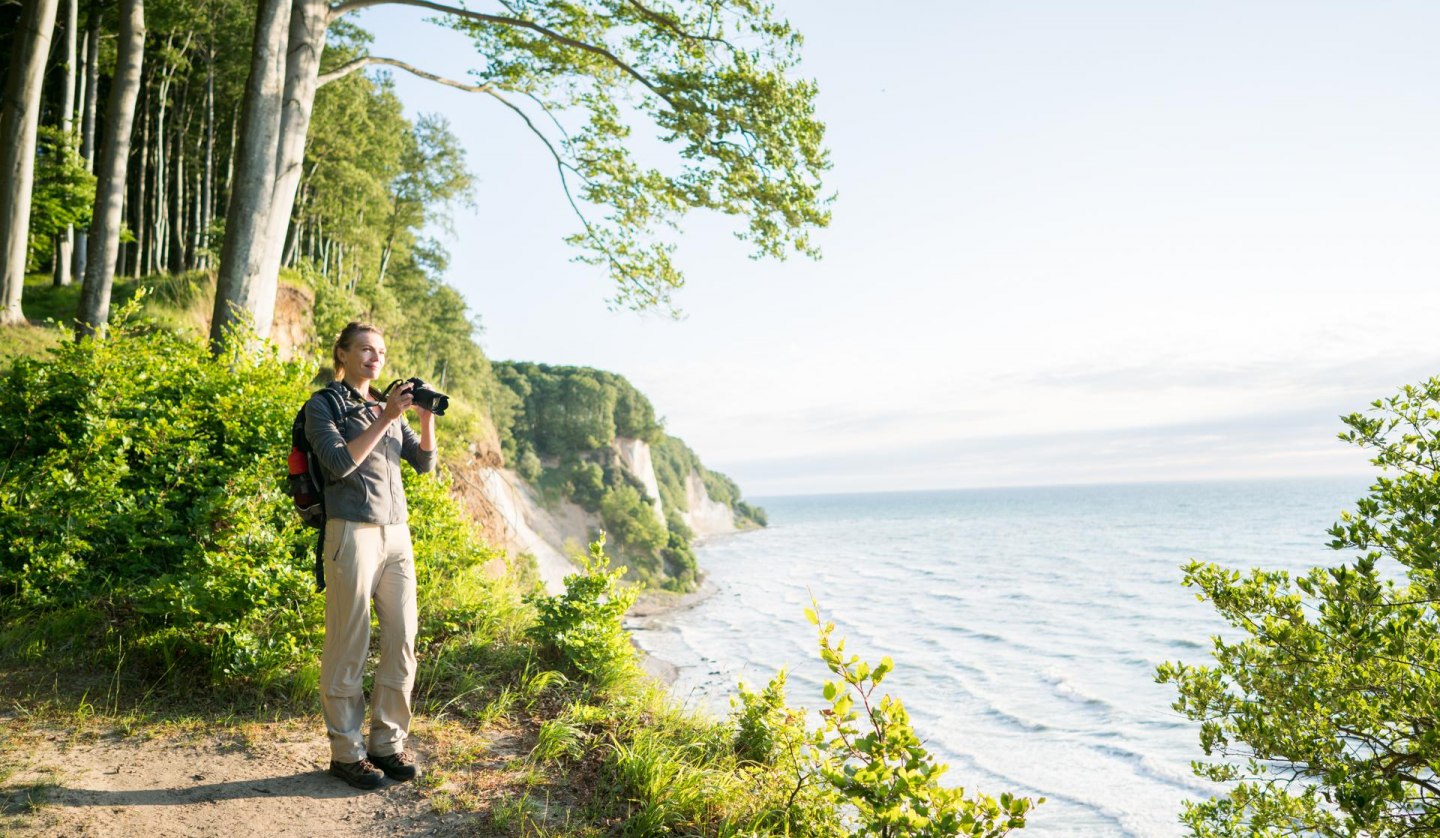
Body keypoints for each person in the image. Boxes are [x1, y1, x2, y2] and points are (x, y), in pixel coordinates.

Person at [304, 321, 436, 790]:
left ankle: (387, 742)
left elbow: (423, 463)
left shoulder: (389, 407)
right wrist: (384, 418)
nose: (373, 358)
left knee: (403, 638)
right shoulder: (324, 405)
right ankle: (346, 751)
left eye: (379, 351)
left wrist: (421, 416)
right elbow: (338, 464)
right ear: (342, 354)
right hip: (351, 533)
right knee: (349, 642)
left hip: (397, 536)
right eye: (363, 349)